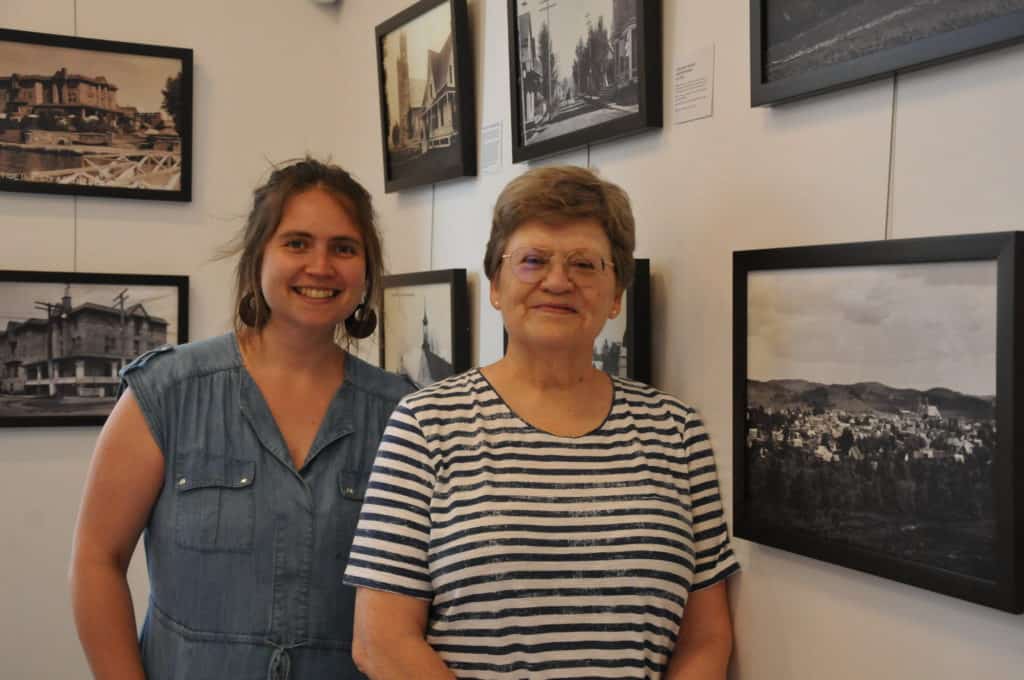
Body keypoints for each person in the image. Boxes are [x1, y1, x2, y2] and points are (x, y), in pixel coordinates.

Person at [345, 165, 740, 679]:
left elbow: (707, 639)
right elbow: (381, 642)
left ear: (616, 293)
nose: (558, 281)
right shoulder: (425, 425)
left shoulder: (676, 431)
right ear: (495, 285)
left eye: (584, 263)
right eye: (532, 261)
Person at [69, 158, 413, 680]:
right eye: (296, 243)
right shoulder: (167, 392)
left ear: (366, 270)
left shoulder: (402, 413)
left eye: (343, 248)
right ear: (258, 257)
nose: (320, 266)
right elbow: (97, 561)